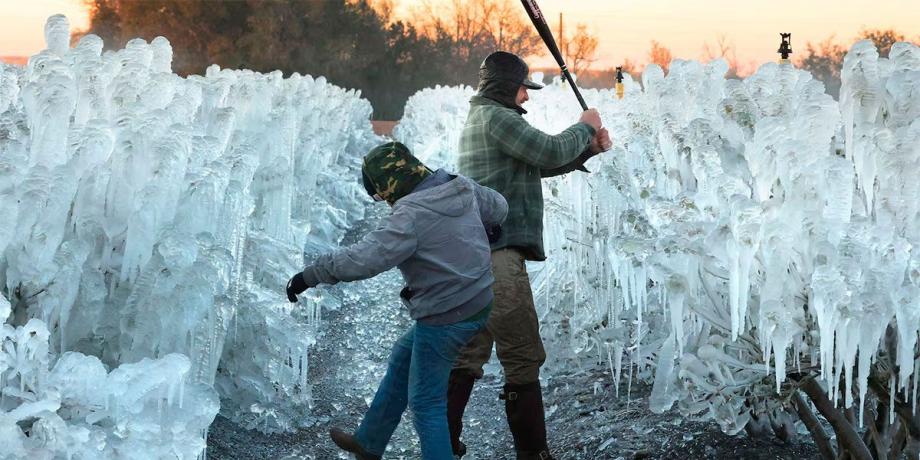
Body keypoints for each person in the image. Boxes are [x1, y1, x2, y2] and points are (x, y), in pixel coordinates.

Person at [286, 141, 508, 460]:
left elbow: (364, 259)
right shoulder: (459, 185)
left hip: (447, 313)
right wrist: (489, 225)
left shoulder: (410, 215)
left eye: (379, 194)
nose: (383, 202)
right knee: (403, 356)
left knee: (426, 403)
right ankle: (369, 442)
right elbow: (499, 206)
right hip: (478, 298)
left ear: (390, 183)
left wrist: (310, 275)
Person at [447, 51, 613, 460]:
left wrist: (587, 150)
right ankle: (534, 454)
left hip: (477, 254)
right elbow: (548, 150)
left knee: (469, 352)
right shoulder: (496, 118)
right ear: (506, 87)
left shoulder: (488, 119)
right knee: (522, 355)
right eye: (524, 87)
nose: (527, 96)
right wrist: (584, 127)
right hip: (498, 257)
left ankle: (442, 444)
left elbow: (534, 166)